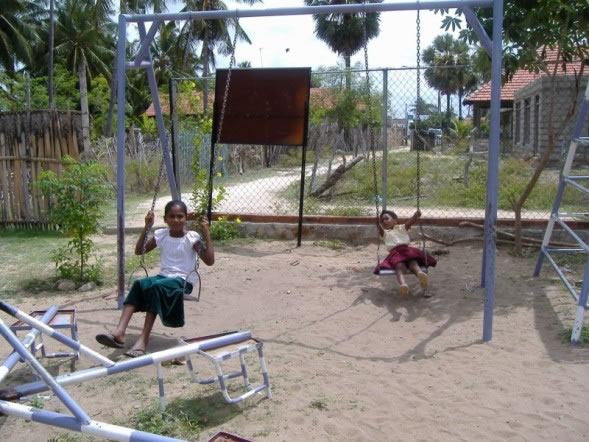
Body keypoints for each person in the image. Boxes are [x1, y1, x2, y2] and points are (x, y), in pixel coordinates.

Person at [96, 200, 214, 357]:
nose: (176, 220)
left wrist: (206, 232)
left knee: (156, 288)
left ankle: (143, 340)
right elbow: (140, 250)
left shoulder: (191, 239)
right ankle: (120, 331)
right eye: (171, 216)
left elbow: (209, 260)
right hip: (164, 277)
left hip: (182, 282)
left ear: (186, 219)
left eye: (180, 216)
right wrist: (147, 227)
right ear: (165, 219)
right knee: (139, 284)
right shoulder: (162, 235)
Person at [374, 209, 436, 296]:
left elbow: (409, 223)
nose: (384, 221)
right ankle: (403, 284)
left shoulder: (401, 228)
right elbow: (380, 229)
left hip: (407, 250)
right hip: (395, 253)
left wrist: (415, 216)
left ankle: (419, 273)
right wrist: (377, 223)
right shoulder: (385, 233)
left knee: (413, 262)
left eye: (386, 219)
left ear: (395, 220)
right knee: (399, 267)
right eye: (382, 221)